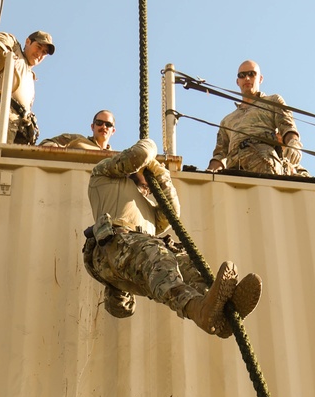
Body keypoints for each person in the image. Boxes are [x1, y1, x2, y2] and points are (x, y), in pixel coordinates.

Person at [83, 138, 262, 339]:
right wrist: (151, 158)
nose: (148, 187)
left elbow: (172, 210)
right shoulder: (103, 176)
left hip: (134, 265)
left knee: (187, 264)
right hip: (111, 250)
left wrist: (159, 174)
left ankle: (217, 311)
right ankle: (198, 309)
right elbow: (139, 155)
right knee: (159, 255)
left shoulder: (149, 211)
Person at [206, 60, 309, 178]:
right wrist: (209, 173)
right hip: (234, 170)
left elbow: (287, 127)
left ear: (260, 78)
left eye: (252, 74)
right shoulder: (227, 121)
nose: (247, 78)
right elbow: (220, 155)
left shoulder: (273, 101)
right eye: (242, 75)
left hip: (263, 159)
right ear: (237, 82)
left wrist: (293, 143)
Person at [0, 30, 55, 145]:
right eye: (38, 47)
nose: (39, 54)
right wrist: (6, 52)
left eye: (44, 52)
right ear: (28, 42)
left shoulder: (31, 77)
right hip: (4, 113)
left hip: (22, 126)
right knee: (1, 152)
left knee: (18, 160)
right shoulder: (15, 50)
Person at [41, 111, 116, 152]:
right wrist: (54, 148)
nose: (103, 126)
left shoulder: (116, 158)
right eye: (99, 123)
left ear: (113, 131)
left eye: (108, 124)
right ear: (92, 127)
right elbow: (45, 144)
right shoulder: (76, 140)